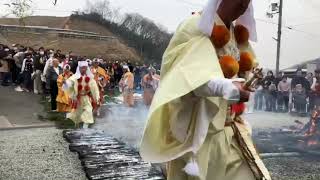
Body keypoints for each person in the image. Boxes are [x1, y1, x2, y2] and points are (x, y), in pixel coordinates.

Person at [140, 0, 271, 179]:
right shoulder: (194, 26)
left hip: (231, 130)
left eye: (247, 3)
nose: (243, 6)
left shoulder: (235, 33)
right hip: (200, 133)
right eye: (240, 0)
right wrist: (226, 87)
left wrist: (247, 83)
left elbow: (245, 69)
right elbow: (184, 77)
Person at [63, 61, 99, 128]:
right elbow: (69, 83)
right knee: (77, 114)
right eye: (82, 68)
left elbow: (95, 88)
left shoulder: (90, 78)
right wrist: (65, 83)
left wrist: (96, 97)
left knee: (88, 111)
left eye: (85, 68)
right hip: (78, 98)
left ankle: (85, 128)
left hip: (86, 98)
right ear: (79, 68)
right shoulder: (75, 77)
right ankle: (77, 126)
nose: (83, 69)